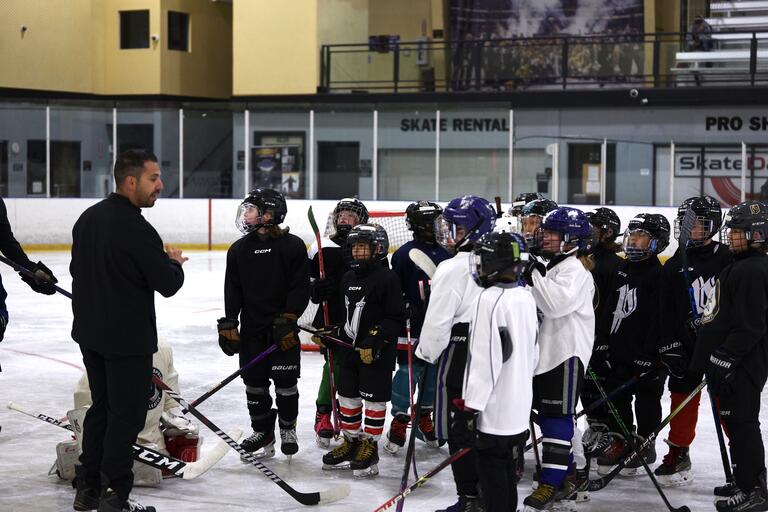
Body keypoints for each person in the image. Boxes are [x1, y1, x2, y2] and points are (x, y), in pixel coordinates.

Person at [70, 148, 186, 512]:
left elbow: (78, 273)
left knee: (102, 408)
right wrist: (174, 263)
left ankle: (88, 488)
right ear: (131, 181)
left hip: (91, 334)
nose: (160, 185)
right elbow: (167, 284)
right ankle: (115, 494)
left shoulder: (88, 219)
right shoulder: (138, 229)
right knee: (126, 416)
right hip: (127, 340)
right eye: (153, 178)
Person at [414, 195, 497, 512]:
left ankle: (470, 499)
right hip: (496, 355)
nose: (448, 233)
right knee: (489, 428)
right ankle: (492, 497)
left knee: (459, 430)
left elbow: (437, 323)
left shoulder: (451, 268)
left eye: (456, 228)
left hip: (461, 356)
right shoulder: (501, 262)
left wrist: (425, 353)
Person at [219, 188, 310, 462]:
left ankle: (288, 428)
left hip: (283, 331)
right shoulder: (238, 250)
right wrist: (229, 321)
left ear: (269, 215)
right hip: (252, 332)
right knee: (254, 385)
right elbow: (233, 289)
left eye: (251, 210)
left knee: (285, 384)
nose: (245, 214)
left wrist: (289, 318)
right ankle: (262, 432)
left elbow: (300, 287)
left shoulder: (293, 246)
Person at [452, 231, 538, 512]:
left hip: (494, 410)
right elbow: (533, 354)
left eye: (484, 261)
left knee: (492, 473)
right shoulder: (525, 296)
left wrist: (470, 407)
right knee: (507, 470)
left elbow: (485, 360)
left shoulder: (488, 299)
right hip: (519, 407)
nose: (480, 267)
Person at [696, 200, 768, 512]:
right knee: (735, 423)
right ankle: (744, 479)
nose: (731, 236)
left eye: (739, 231)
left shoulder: (753, 269)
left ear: (758, 234)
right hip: (734, 360)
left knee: (743, 423)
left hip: (743, 363)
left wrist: (726, 355)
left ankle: (755, 490)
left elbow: (752, 324)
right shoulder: (741, 266)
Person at [655, 196, 732, 487]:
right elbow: (665, 311)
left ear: (713, 225)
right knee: (681, 396)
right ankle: (678, 451)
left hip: (720, 346)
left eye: (698, 224)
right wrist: (670, 344)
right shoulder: (676, 263)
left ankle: (741, 457)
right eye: (687, 224)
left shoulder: (728, 258)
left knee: (728, 403)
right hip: (686, 347)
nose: (691, 229)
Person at [522, 206, 594, 511]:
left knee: (556, 418)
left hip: (565, 355)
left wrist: (531, 272)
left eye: (554, 233)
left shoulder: (575, 270)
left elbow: (554, 305)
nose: (546, 237)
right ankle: (568, 477)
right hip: (546, 354)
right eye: (547, 231)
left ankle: (551, 483)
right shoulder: (553, 266)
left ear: (573, 239)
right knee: (546, 416)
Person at [321, 224, 405, 477]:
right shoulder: (347, 277)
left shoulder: (388, 278)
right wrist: (333, 334)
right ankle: (351, 442)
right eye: (354, 247)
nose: (357, 252)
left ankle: (370, 446)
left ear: (377, 249)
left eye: (363, 247)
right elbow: (344, 317)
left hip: (377, 354)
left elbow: (395, 318)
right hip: (349, 353)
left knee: (374, 400)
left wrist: (374, 341)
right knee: (347, 396)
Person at [594, 213, 669, 476]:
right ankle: (623, 440)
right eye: (632, 235)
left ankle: (645, 442)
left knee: (648, 399)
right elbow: (608, 308)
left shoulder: (658, 275)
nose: (634, 241)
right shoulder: (622, 268)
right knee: (617, 396)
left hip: (646, 355)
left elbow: (660, 319)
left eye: (641, 237)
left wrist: (651, 354)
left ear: (657, 242)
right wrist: (602, 341)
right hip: (618, 350)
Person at [384, 200, 449, 454]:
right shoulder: (404, 254)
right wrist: (403, 305)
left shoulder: (448, 254)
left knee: (433, 373)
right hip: (410, 327)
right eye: (434, 222)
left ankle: (424, 416)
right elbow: (394, 290)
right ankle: (400, 419)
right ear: (421, 225)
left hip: (437, 327)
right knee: (407, 373)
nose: (439, 226)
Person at [308, 198, 369, 448]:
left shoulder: (369, 246)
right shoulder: (322, 247)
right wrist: (316, 289)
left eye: (351, 215)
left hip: (361, 317)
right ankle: (323, 413)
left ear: (361, 221)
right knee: (332, 366)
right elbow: (309, 283)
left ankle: (349, 416)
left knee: (358, 369)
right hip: (332, 318)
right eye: (341, 214)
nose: (345, 218)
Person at [581, 207, 623, 460]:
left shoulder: (615, 265)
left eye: (593, 227)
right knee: (586, 386)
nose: (588, 232)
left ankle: (609, 431)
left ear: (608, 232)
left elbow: (612, 306)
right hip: (584, 335)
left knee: (603, 386)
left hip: (601, 339)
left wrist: (604, 338)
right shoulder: (583, 260)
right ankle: (595, 426)